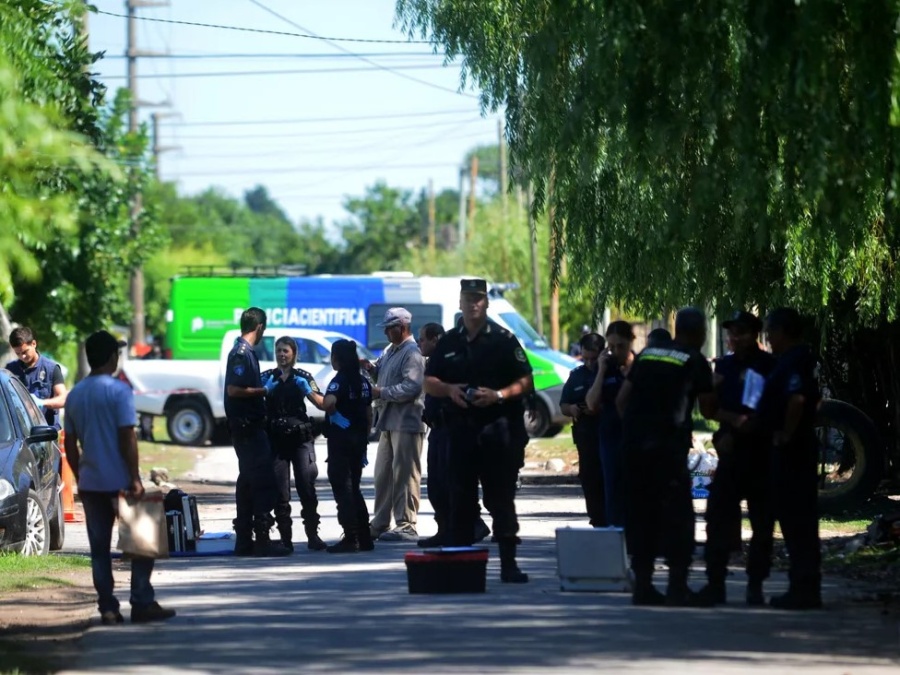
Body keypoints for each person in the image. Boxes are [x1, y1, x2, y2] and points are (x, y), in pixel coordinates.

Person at [424, 278, 534, 583]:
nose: (473, 304)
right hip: (460, 433)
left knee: (501, 499)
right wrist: (449, 390)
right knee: (459, 500)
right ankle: (461, 569)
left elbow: (527, 381)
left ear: (486, 303)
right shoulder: (448, 342)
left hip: (497, 432)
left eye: (479, 299)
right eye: (468, 299)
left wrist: (498, 395)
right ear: (460, 303)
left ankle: (509, 565)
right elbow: (428, 381)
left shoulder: (503, 339)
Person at [64, 330, 175, 625]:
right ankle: (141, 601)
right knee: (142, 540)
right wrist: (135, 478)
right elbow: (127, 436)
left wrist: (80, 475)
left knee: (99, 549)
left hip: (91, 483)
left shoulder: (75, 395)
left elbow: (70, 444)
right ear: (112, 357)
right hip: (121, 482)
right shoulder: (119, 391)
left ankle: (108, 608)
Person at [616, 308, 717, 606]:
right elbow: (709, 409)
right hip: (667, 451)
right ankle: (677, 587)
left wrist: (635, 430)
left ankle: (643, 585)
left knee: (641, 515)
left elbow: (621, 400)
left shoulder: (648, 354)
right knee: (678, 517)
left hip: (635, 449)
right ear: (700, 333)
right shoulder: (694, 359)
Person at [698, 310, 777, 606]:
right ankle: (715, 583)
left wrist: (751, 425)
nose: (734, 338)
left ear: (754, 334)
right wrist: (730, 420)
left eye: (741, 332)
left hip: (760, 453)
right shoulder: (724, 366)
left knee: (762, 524)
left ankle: (755, 585)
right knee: (717, 518)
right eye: (731, 333)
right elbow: (708, 408)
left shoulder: (769, 365)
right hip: (731, 452)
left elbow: (773, 408)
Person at [759, 308, 822, 610]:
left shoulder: (794, 361)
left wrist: (786, 433)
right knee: (797, 521)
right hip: (797, 449)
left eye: (770, 331)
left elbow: (797, 400)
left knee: (797, 521)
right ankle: (804, 585)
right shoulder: (795, 359)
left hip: (793, 452)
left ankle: (804, 588)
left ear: (783, 331)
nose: (768, 338)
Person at [417, 322, 490, 547]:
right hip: (438, 428)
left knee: (453, 482)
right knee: (437, 485)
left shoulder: (459, 359)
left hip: (454, 428)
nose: (419, 343)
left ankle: (470, 525)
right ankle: (445, 529)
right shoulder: (437, 361)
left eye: (423, 339)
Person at [223, 307, 289, 557]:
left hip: (248, 427)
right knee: (263, 481)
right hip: (247, 428)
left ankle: (244, 540)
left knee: (248, 482)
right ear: (259, 327)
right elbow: (233, 389)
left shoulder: (246, 352)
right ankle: (262, 539)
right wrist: (264, 391)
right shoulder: (241, 353)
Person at [362, 307, 427, 542]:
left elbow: (412, 387)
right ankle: (380, 522)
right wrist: (371, 369)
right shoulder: (391, 350)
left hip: (407, 421)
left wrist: (381, 392)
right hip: (388, 420)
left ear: (402, 327)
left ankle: (407, 523)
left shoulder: (412, 353)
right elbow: (382, 374)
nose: (386, 332)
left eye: (390, 328)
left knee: (405, 474)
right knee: (383, 474)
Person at [262, 336, 327, 552]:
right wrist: (264, 391)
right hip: (277, 441)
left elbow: (322, 403)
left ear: (294, 354)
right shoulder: (267, 377)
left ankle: (313, 535)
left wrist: (307, 391)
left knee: (306, 487)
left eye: (286, 351)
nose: (282, 355)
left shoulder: (303, 377)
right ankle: (286, 539)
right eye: (279, 351)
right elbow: (250, 401)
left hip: (300, 439)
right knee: (280, 492)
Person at [323, 339, 375, 554]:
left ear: (337, 358)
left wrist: (334, 414)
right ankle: (364, 537)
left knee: (342, 489)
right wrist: (365, 436)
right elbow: (369, 412)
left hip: (341, 442)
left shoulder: (339, 380)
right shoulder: (363, 381)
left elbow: (328, 402)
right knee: (354, 488)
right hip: (358, 441)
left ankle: (351, 537)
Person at [586, 321, 636, 527]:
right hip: (611, 437)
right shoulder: (606, 367)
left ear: (631, 342)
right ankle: (615, 532)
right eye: (611, 346)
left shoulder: (642, 366)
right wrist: (601, 371)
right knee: (613, 489)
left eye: (620, 346)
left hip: (636, 435)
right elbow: (591, 403)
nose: (615, 351)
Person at [559, 332, 607, 527]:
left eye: (593, 359)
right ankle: (596, 518)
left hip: (606, 432)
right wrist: (572, 409)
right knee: (589, 477)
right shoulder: (577, 375)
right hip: (585, 435)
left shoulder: (611, 372)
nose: (589, 363)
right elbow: (564, 404)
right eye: (585, 358)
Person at [6, 326, 67, 428]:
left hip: (46, 430)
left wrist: (42, 402)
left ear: (34, 344)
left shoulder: (51, 369)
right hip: (20, 431)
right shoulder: (10, 369)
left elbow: (63, 399)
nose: (22, 357)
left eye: (25, 352)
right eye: (18, 353)